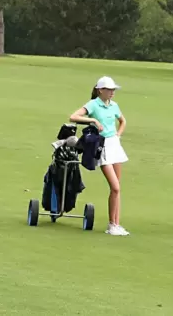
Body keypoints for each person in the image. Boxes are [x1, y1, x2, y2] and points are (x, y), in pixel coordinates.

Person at [69, 76, 130, 236]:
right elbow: (74, 116)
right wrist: (93, 120)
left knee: (117, 189)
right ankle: (112, 225)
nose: (112, 93)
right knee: (115, 187)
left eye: (113, 90)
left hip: (114, 144)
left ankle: (115, 224)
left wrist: (118, 134)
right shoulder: (93, 104)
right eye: (109, 90)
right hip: (101, 147)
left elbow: (123, 121)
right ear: (100, 90)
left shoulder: (114, 106)